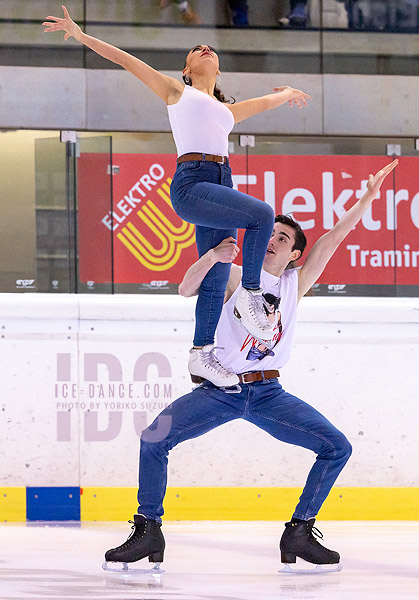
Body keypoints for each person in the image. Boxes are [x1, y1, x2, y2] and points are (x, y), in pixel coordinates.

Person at [102, 159, 398, 573]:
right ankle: (148, 528)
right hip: (219, 390)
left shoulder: (297, 282)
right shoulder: (235, 272)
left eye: (282, 237)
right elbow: (185, 288)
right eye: (270, 234)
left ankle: (299, 530)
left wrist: (367, 196)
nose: (272, 240)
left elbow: (336, 236)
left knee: (337, 447)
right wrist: (213, 256)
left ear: (295, 253)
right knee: (154, 439)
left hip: (269, 394)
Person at [43, 6, 311, 389]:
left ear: (218, 71)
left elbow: (265, 103)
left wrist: (286, 93)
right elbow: (126, 60)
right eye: (195, 49)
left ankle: (201, 353)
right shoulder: (177, 92)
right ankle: (252, 294)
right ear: (186, 70)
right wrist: (82, 35)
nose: (204, 48)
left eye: (209, 49)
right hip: (192, 184)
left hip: (220, 183)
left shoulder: (227, 111)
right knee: (262, 215)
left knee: (217, 275)